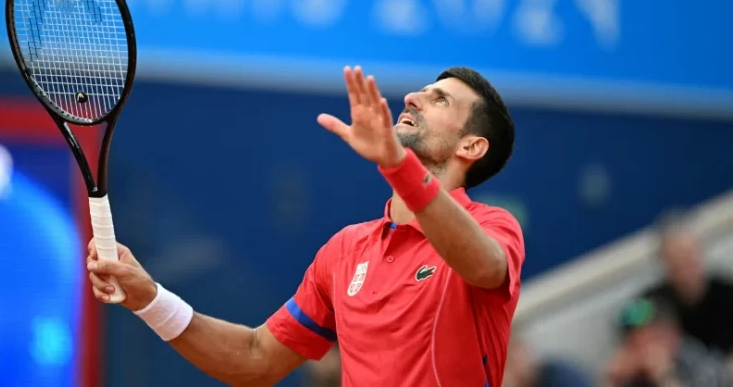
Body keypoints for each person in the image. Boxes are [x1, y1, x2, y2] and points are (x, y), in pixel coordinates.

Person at [86, 66, 525, 386]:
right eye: (423, 90)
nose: (413, 97)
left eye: (439, 99)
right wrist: (148, 299)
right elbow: (257, 358)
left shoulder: (492, 226)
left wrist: (397, 164)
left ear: (472, 145)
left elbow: (483, 265)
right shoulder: (345, 250)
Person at [641, 216, 733, 366]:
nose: (685, 266)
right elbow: (627, 319)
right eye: (677, 258)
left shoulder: (725, 293)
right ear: (664, 262)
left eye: (689, 256)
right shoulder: (653, 302)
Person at [604, 297, 730, 387]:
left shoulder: (701, 365)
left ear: (673, 335)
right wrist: (612, 381)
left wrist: (664, 378)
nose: (640, 349)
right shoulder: (633, 375)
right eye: (632, 342)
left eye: (648, 339)